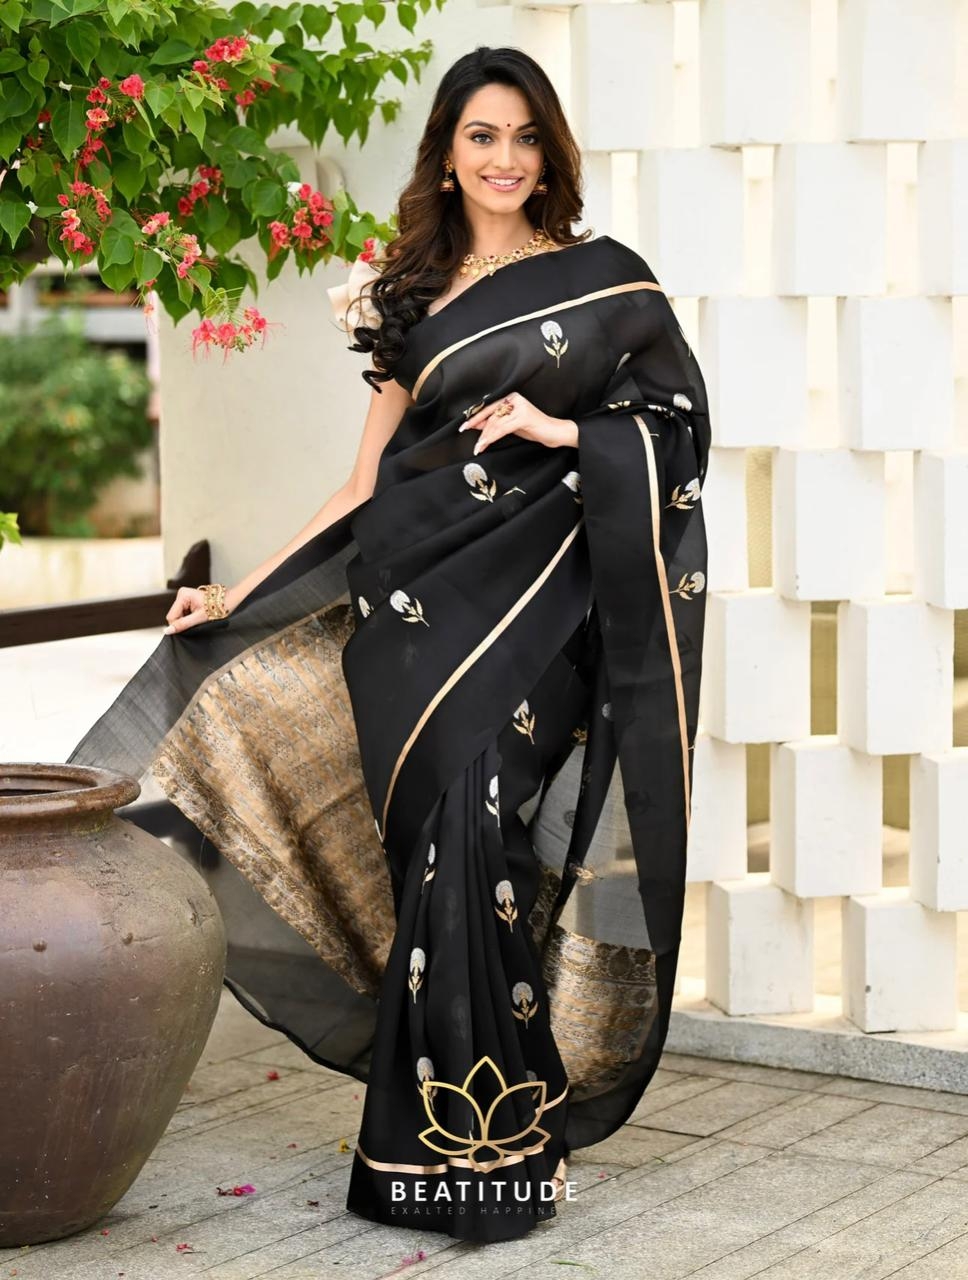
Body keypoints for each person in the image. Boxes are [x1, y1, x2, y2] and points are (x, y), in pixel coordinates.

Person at [68, 45, 711, 1244]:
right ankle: (437, 1151)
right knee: (438, 851)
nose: (504, 158)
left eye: (524, 136)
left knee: (484, 832)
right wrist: (238, 592)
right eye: (481, 136)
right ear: (447, 154)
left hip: (536, 617)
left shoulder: (605, 282)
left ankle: (494, 1136)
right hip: (412, 617)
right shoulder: (402, 295)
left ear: (549, 153)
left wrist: (562, 430)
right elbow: (361, 484)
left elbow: (674, 433)